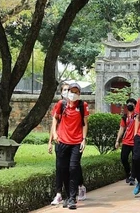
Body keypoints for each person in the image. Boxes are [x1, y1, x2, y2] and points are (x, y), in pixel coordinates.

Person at [48, 82, 89, 210]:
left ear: (79, 94)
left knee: (73, 168)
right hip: (62, 142)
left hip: (76, 142)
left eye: (77, 92)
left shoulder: (82, 105)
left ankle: (72, 198)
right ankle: (66, 196)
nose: (74, 94)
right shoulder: (62, 104)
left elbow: (85, 124)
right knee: (63, 169)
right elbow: (55, 119)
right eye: (72, 91)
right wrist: (54, 134)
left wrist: (83, 139)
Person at [115, 98, 137, 185]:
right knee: (123, 158)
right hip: (126, 141)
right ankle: (128, 173)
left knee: (135, 160)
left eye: (132, 103)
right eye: (128, 103)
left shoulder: (138, 116)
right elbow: (121, 128)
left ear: (135, 105)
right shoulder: (125, 117)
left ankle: (133, 177)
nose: (130, 104)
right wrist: (117, 140)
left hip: (136, 142)